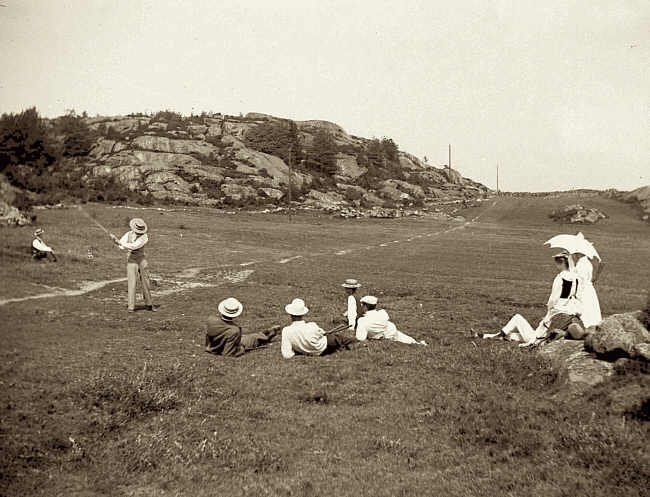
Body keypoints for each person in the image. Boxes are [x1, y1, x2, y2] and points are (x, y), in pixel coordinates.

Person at [483, 253, 585, 345]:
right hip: (569, 311)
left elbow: (554, 299)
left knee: (517, 318)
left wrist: (548, 313)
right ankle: (493, 336)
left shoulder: (560, 278)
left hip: (555, 313)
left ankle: (499, 335)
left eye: (557, 262)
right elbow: (578, 298)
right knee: (521, 335)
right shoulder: (576, 279)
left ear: (561, 263)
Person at [280, 298, 356, 359]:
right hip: (323, 348)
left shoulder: (286, 331)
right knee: (338, 338)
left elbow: (287, 355)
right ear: (303, 314)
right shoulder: (311, 326)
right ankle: (356, 342)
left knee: (337, 340)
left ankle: (347, 345)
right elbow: (322, 334)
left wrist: (299, 350)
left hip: (315, 350)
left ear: (290, 314)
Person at [205, 297, 280, 357]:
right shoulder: (234, 330)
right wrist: (242, 349)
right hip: (231, 345)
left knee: (248, 336)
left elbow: (208, 337)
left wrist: (210, 348)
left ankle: (265, 333)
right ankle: (268, 334)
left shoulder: (210, 319)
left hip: (214, 347)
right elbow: (228, 353)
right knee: (252, 339)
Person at [110, 218, 154, 313]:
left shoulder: (144, 237)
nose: (139, 233)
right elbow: (122, 246)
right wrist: (115, 241)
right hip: (131, 260)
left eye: (140, 231)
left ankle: (149, 304)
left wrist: (119, 242)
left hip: (142, 260)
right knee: (132, 283)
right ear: (134, 229)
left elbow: (134, 246)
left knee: (146, 282)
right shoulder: (128, 234)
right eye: (138, 231)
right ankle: (131, 307)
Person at [355, 296, 426, 345]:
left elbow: (360, 338)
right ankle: (417, 343)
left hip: (385, 334)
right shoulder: (382, 313)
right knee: (406, 339)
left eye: (362, 305)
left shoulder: (362, 320)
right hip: (391, 331)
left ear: (365, 306)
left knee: (402, 337)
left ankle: (416, 343)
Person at [571, 252, 602, 328]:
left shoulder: (581, 264)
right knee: (591, 307)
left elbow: (580, 280)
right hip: (589, 289)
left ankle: (586, 325)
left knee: (585, 307)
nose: (574, 255)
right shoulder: (587, 262)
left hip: (583, 289)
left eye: (575, 254)